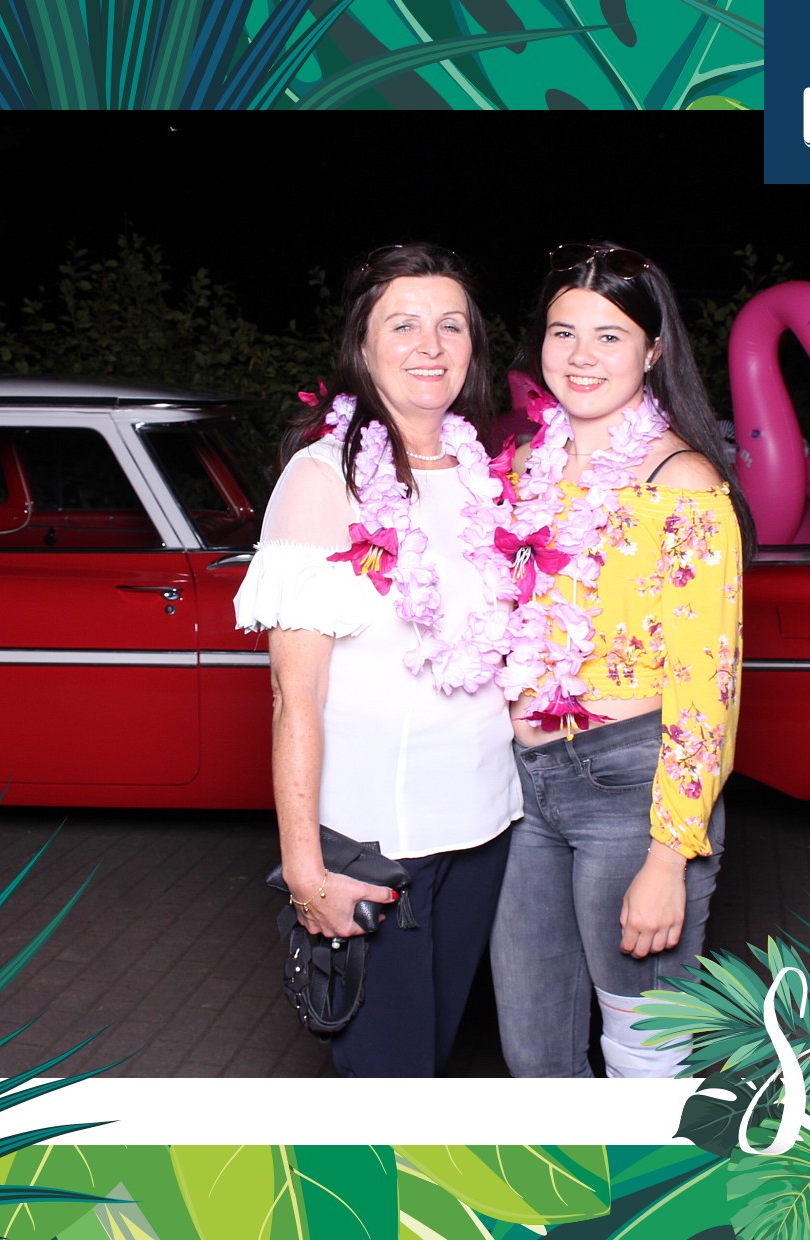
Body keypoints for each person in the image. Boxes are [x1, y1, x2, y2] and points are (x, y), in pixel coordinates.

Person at [234, 243, 520, 1077]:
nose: (430, 345)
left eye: (451, 325)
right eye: (404, 324)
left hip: (485, 830)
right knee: (390, 1081)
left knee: (435, 1058)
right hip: (376, 846)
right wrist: (304, 870)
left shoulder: (483, 475)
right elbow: (294, 695)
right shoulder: (323, 481)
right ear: (362, 343)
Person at [489, 242, 752, 1078]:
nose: (581, 356)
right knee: (534, 1053)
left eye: (609, 335)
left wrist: (669, 857)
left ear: (653, 349)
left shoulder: (684, 483)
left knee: (645, 1059)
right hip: (525, 791)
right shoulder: (523, 467)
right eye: (563, 332)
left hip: (632, 791)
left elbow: (708, 684)